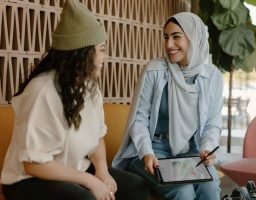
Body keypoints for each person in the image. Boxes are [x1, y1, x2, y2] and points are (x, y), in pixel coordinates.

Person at [0, 0, 149, 200]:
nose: (105, 56)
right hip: (28, 180)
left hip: (74, 171)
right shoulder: (42, 90)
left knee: (136, 187)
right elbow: (33, 164)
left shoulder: (90, 87)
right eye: (102, 49)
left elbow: (97, 139)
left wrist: (102, 172)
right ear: (82, 54)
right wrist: (89, 181)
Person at [112, 12, 223, 200]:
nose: (169, 45)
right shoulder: (155, 70)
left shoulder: (213, 77)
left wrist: (207, 148)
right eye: (166, 37)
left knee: (210, 189)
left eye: (176, 37)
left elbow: (212, 123)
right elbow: (139, 119)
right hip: (153, 149)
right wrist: (146, 152)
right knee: (183, 191)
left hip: (191, 150)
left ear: (193, 38)